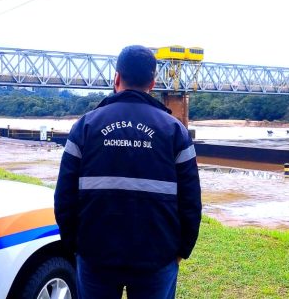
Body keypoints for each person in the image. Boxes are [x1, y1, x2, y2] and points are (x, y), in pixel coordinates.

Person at [54, 45, 202, 299]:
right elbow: (190, 202)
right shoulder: (175, 131)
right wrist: (181, 250)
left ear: (117, 78)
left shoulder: (86, 126)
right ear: (153, 82)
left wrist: (75, 244)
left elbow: (64, 197)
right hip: (158, 256)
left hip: (95, 255)